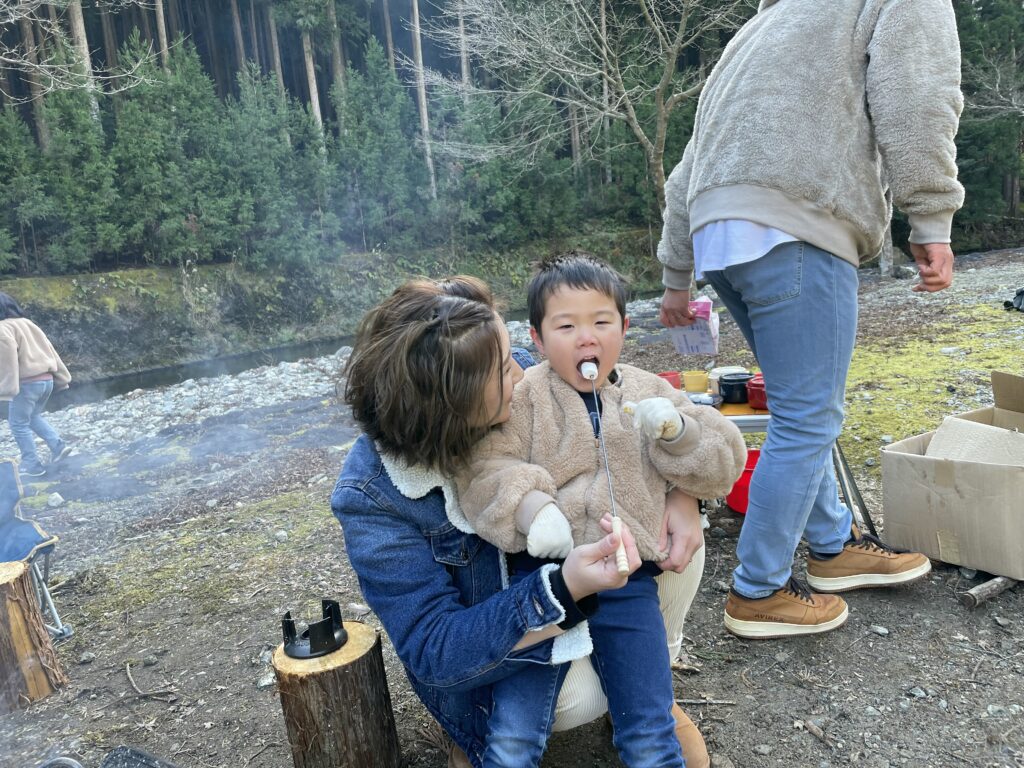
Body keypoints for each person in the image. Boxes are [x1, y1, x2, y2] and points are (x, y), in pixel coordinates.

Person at [656, 0, 963, 639]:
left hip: (721, 232)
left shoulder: (762, 26)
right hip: (798, 219)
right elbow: (917, 98)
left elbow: (690, 160)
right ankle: (758, 592)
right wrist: (929, 216)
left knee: (799, 407)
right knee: (810, 416)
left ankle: (831, 547)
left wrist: (677, 271)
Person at [331, 276, 711, 768]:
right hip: (503, 654)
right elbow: (436, 651)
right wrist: (563, 589)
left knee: (678, 544)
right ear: (455, 405)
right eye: (504, 369)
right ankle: (485, 736)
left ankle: (645, 696)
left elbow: (623, 408)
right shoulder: (373, 499)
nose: (522, 370)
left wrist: (682, 494)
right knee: (575, 701)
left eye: (513, 353)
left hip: (584, 586)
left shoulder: (508, 373)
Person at [455, 254, 746, 767]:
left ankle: (647, 723)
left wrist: (682, 435)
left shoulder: (651, 390)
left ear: (625, 328)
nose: (586, 338)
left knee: (650, 725)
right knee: (514, 734)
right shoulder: (523, 399)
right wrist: (532, 508)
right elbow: (486, 470)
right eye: (566, 326)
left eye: (601, 322)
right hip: (537, 584)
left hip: (627, 577)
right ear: (538, 339)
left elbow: (724, 459)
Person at [0, 292, 72, 478]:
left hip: (26, 384)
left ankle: (32, 465)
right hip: (46, 380)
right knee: (32, 416)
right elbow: (49, 349)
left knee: (17, 423)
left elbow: (7, 359)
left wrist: (6, 389)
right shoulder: (27, 323)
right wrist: (62, 377)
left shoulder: (2, 329)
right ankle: (58, 446)